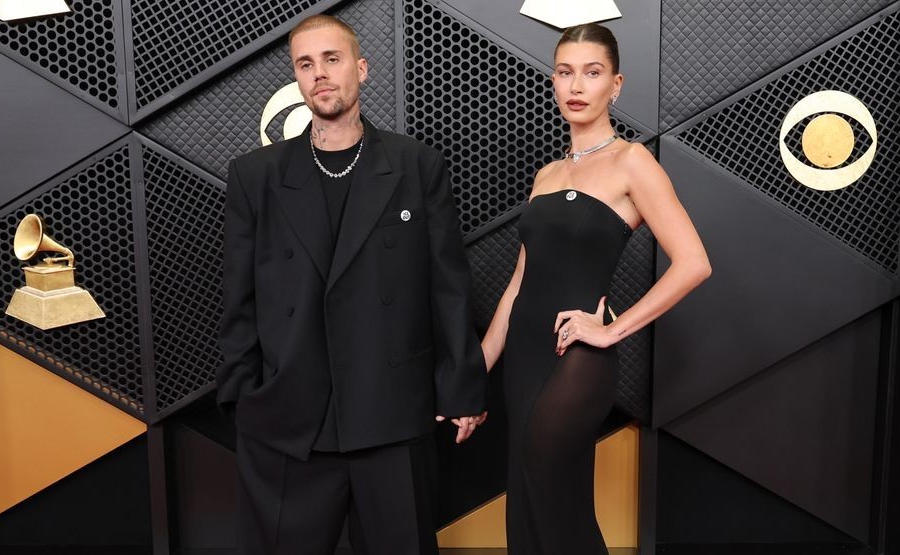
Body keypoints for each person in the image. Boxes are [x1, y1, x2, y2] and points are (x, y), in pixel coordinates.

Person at [216, 15, 487, 555]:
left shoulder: (416, 166)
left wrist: (462, 386)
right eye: (306, 64)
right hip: (289, 420)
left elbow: (448, 286)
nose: (320, 74)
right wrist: (245, 397)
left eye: (332, 59)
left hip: (390, 411)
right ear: (296, 79)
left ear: (361, 69)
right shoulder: (256, 175)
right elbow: (238, 299)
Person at [480, 23, 712, 554]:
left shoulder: (632, 161)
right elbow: (519, 283)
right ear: (554, 82)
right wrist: (476, 369)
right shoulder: (546, 175)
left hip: (577, 355)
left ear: (616, 85)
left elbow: (694, 262)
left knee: (552, 498)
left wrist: (612, 332)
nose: (576, 86)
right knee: (527, 502)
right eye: (565, 73)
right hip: (523, 357)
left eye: (592, 72)